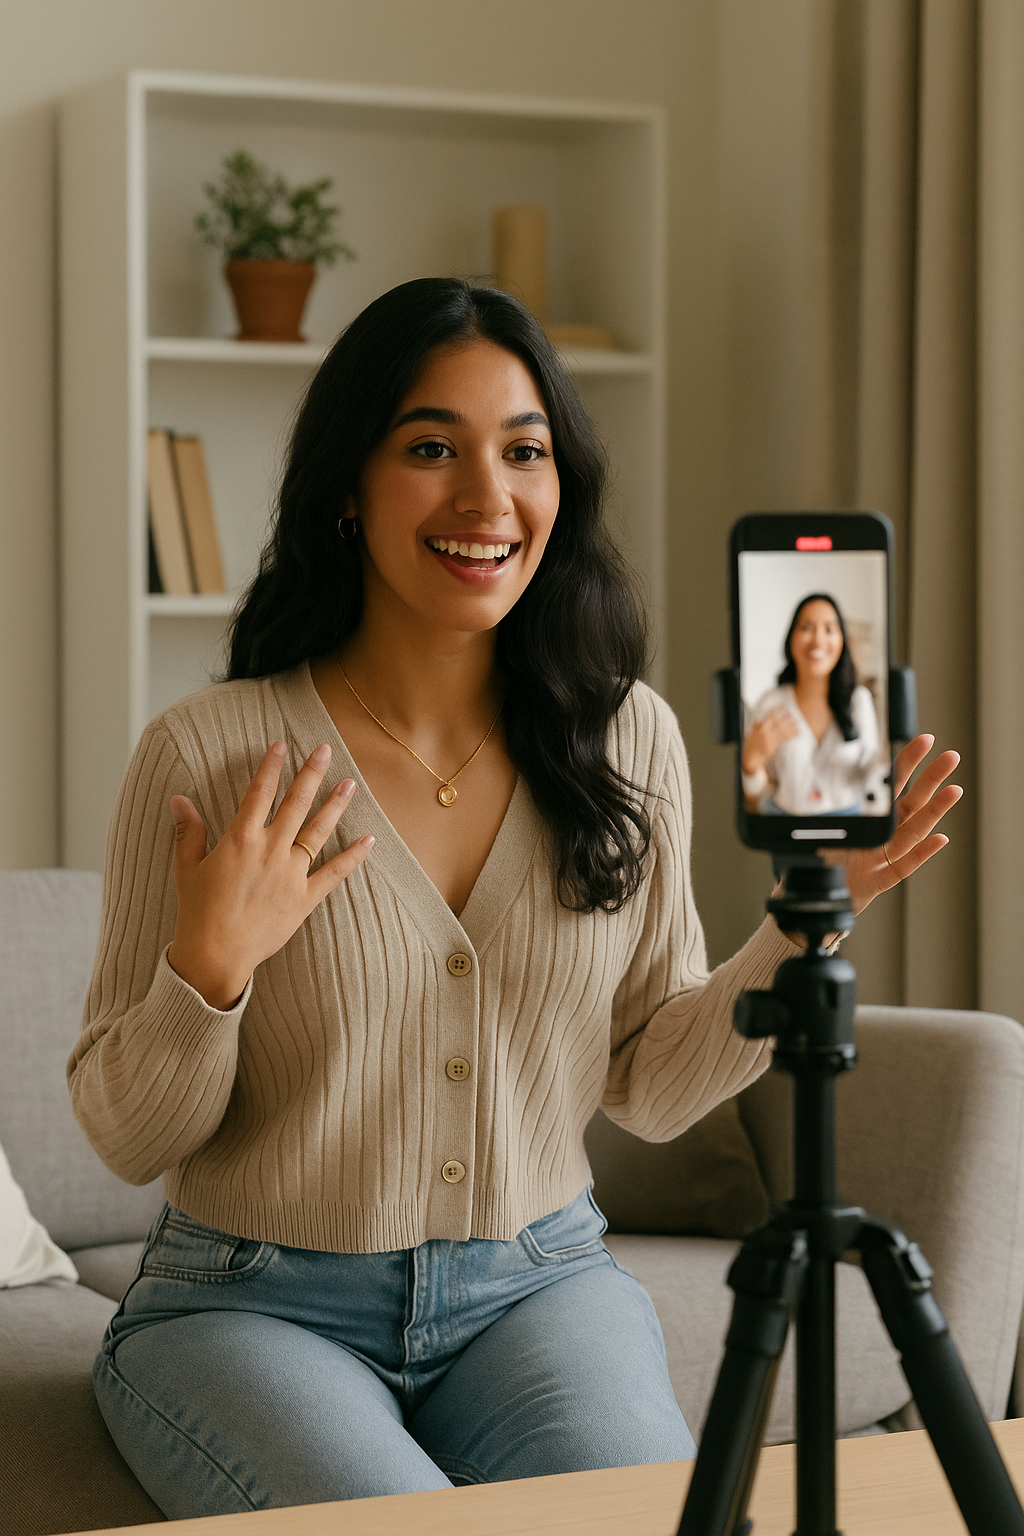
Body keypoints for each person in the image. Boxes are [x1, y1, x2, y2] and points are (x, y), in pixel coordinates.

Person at [66, 279, 960, 1520]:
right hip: (247, 1302)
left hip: (537, 1289)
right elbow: (126, 1134)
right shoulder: (210, 756)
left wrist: (808, 918)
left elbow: (649, 1079)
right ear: (348, 484)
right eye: (431, 448)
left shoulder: (623, 740)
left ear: (561, 487)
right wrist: (209, 966)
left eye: (524, 452)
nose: (487, 499)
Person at [741, 593, 887, 816]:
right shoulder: (770, 704)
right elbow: (757, 792)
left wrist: (888, 763)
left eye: (829, 629)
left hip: (848, 828)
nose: (818, 640)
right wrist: (750, 765)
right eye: (807, 627)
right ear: (791, 638)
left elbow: (871, 771)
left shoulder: (858, 700)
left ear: (842, 641)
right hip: (784, 828)